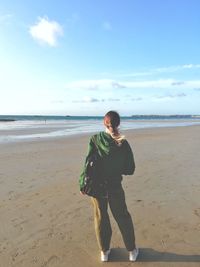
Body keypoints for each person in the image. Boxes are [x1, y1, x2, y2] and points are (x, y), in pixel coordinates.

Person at [79, 111, 139, 262]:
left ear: (104, 123)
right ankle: (131, 250)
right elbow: (130, 169)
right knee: (122, 216)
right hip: (114, 186)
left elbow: (87, 163)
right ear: (118, 124)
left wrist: (82, 183)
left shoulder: (95, 139)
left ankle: (104, 252)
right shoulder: (123, 143)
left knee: (101, 218)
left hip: (97, 187)